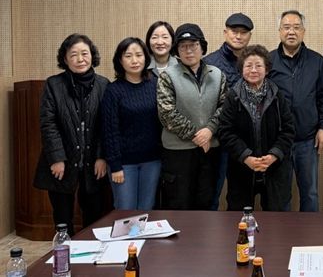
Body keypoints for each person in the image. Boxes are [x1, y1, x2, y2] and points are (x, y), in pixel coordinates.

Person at [33, 33, 109, 236]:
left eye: (85, 53)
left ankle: (92, 250)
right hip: (63, 161)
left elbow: (106, 125)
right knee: (62, 217)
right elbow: (48, 124)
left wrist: (102, 156)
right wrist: (56, 158)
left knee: (94, 214)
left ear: (92, 55)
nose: (80, 59)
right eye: (73, 54)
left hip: (93, 162)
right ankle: (65, 251)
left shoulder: (104, 85)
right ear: (65, 59)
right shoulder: (54, 84)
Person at [157, 23, 227, 210]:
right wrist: (197, 135)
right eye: (183, 46)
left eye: (194, 45)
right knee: (179, 203)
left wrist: (210, 130)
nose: (189, 51)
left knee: (206, 201)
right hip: (178, 152)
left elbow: (224, 108)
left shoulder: (217, 74)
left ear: (202, 47)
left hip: (209, 150)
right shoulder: (167, 76)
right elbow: (167, 113)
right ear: (177, 51)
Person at [219, 45, 296, 211]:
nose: (253, 70)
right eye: (248, 66)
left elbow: (288, 130)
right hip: (242, 168)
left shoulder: (277, 95)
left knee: (276, 219)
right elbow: (225, 132)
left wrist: (274, 155)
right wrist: (246, 157)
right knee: (240, 218)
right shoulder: (233, 96)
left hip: (274, 168)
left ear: (267, 70)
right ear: (241, 69)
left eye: (258, 65)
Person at [268, 10, 323, 212]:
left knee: (310, 192)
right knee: (281, 193)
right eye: (286, 27)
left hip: (308, 139)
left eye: (296, 27)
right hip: (278, 140)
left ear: (303, 31)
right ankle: (282, 231)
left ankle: (309, 231)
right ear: (279, 31)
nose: (291, 32)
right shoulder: (268, 61)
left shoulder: (317, 61)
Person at [101, 37, 161, 210]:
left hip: (152, 161)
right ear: (120, 60)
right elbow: (109, 131)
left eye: (139, 55)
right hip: (124, 164)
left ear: (146, 58)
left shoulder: (155, 85)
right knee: (125, 210)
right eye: (128, 56)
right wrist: (115, 166)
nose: (134, 60)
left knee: (146, 208)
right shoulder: (113, 91)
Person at [204, 12, 254, 210]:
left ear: (250, 36)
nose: (238, 36)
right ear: (225, 32)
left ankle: (240, 229)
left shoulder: (254, 62)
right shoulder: (209, 63)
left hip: (244, 140)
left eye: (243, 32)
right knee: (211, 191)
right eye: (234, 31)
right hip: (216, 139)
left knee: (240, 195)